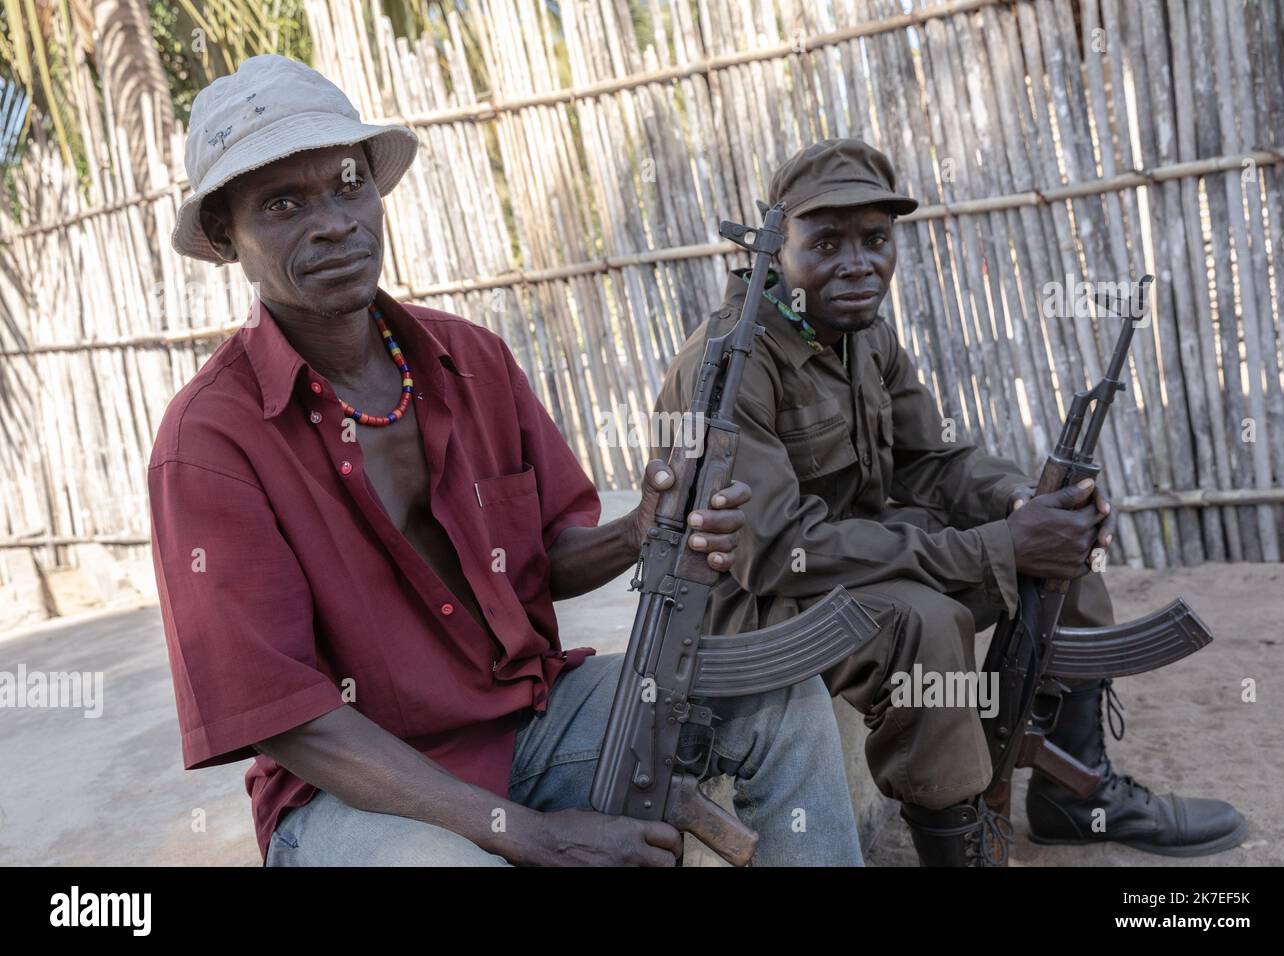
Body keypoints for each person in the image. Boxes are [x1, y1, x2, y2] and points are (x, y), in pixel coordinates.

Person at [149, 56, 863, 867]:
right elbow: (290, 717)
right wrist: (525, 833)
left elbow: (546, 556)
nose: (333, 223)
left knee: (779, 696)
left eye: (349, 185)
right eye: (283, 204)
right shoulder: (209, 442)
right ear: (222, 234)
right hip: (355, 795)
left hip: (531, 719)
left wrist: (642, 530)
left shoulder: (470, 361)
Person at [654, 138, 1247, 866]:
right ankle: (956, 847)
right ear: (776, 246)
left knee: (1062, 540)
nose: (858, 263)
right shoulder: (732, 359)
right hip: (750, 601)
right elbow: (774, 547)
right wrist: (995, 550)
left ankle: (1076, 791)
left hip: (848, 555)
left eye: (875, 239)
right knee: (927, 621)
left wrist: (1026, 502)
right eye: (827, 241)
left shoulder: (862, 336)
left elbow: (929, 462)